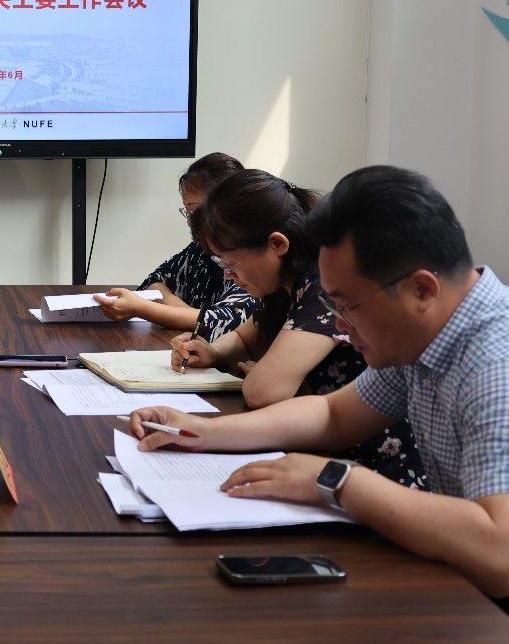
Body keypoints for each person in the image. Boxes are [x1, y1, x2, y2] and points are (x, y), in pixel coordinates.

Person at [128, 165, 509, 605]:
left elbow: (500, 551)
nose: (339, 327)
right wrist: (201, 431)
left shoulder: (493, 364)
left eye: (346, 306)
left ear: (421, 290)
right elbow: (334, 414)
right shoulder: (421, 339)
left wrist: (337, 480)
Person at [170, 168, 423, 487]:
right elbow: (247, 341)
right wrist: (214, 356)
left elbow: (264, 391)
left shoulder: (326, 284)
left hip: (371, 470)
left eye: (231, 264)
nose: (228, 276)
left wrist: (263, 371)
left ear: (278, 244)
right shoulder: (285, 283)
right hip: (331, 454)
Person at [94, 152, 258, 339]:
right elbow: (153, 283)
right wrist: (189, 315)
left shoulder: (253, 257)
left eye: (195, 210)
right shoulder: (200, 250)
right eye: (187, 211)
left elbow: (224, 321)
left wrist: (143, 308)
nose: (190, 222)